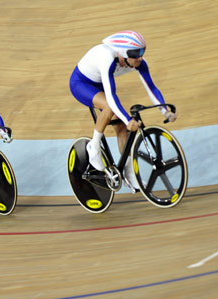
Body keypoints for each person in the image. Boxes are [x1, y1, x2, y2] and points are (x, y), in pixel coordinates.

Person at [69, 30, 177, 191]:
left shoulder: (138, 62)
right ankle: (94, 147)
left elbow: (151, 87)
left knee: (121, 129)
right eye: (136, 53)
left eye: (142, 52)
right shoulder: (107, 58)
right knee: (110, 107)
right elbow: (111, 98)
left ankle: (129, 174)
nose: (140, 57)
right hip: (81, 84)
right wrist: (129, 120)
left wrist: (165, 111)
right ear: (123, 53)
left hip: (100, 85)